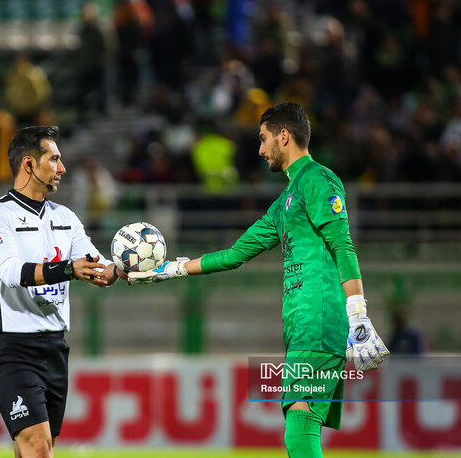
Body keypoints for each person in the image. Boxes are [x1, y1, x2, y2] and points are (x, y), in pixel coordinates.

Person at [129, 103, 389, 458]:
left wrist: (358, 314)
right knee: (301, 421)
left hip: (321, 316)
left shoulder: (318, 179)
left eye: (264, 138)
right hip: (303, 323)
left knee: (299, 424)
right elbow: (235, 255)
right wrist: (171, 269)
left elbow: (342, 244)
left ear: (285, 136)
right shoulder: (285, 201)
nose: (260, 149)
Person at [0, 125, 124, 457]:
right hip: (12, 346)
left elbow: (98, 266)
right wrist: (69, 269)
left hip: (54, 347)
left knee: (33, 446)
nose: (62, 168)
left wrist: (128, 267)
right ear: (29, 164)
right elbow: (12, 273)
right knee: (38, 447)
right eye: (54, 159)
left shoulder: (66, 218)